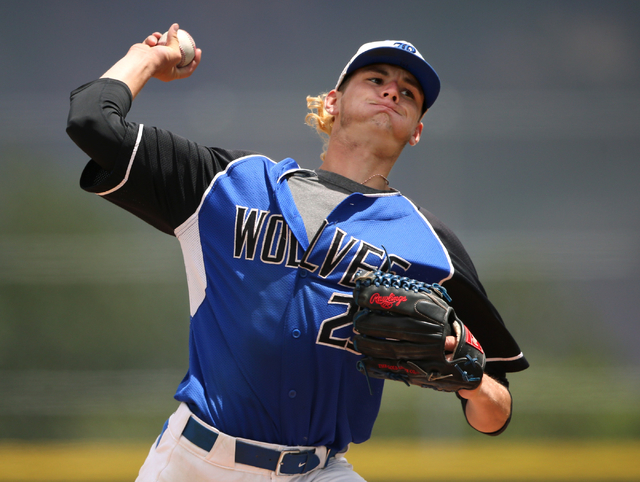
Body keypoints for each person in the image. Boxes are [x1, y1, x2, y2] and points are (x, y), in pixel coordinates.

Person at [66, 24, 529, 482]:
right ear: (332, 103)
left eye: (408, 93)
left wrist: (472, 380)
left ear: (416, 131)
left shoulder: (431, 245)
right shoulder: (228, 183)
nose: (393, 92)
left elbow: (496, 411)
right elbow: (91, 122)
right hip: (194, 462)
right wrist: (150, 58)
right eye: (376, 79)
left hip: (318, 470)